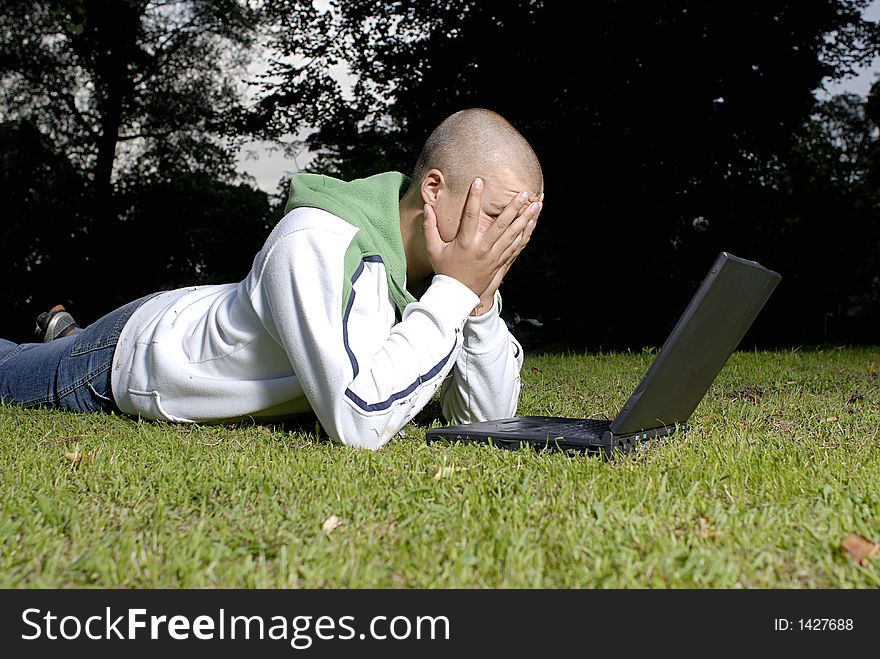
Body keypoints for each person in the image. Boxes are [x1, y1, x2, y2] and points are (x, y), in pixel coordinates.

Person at [0, 108, 544, 449]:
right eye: (498, 217)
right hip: (136, 355)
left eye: (520, 226)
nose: (503, 242)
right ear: (432, 190)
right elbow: (358, 423)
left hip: (200, 326)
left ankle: (66, 330)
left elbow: (487, 420)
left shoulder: (447, 266)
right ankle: (73, 342)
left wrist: (478, 300)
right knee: (11, 372)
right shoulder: (316, 241)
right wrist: (455, 293)